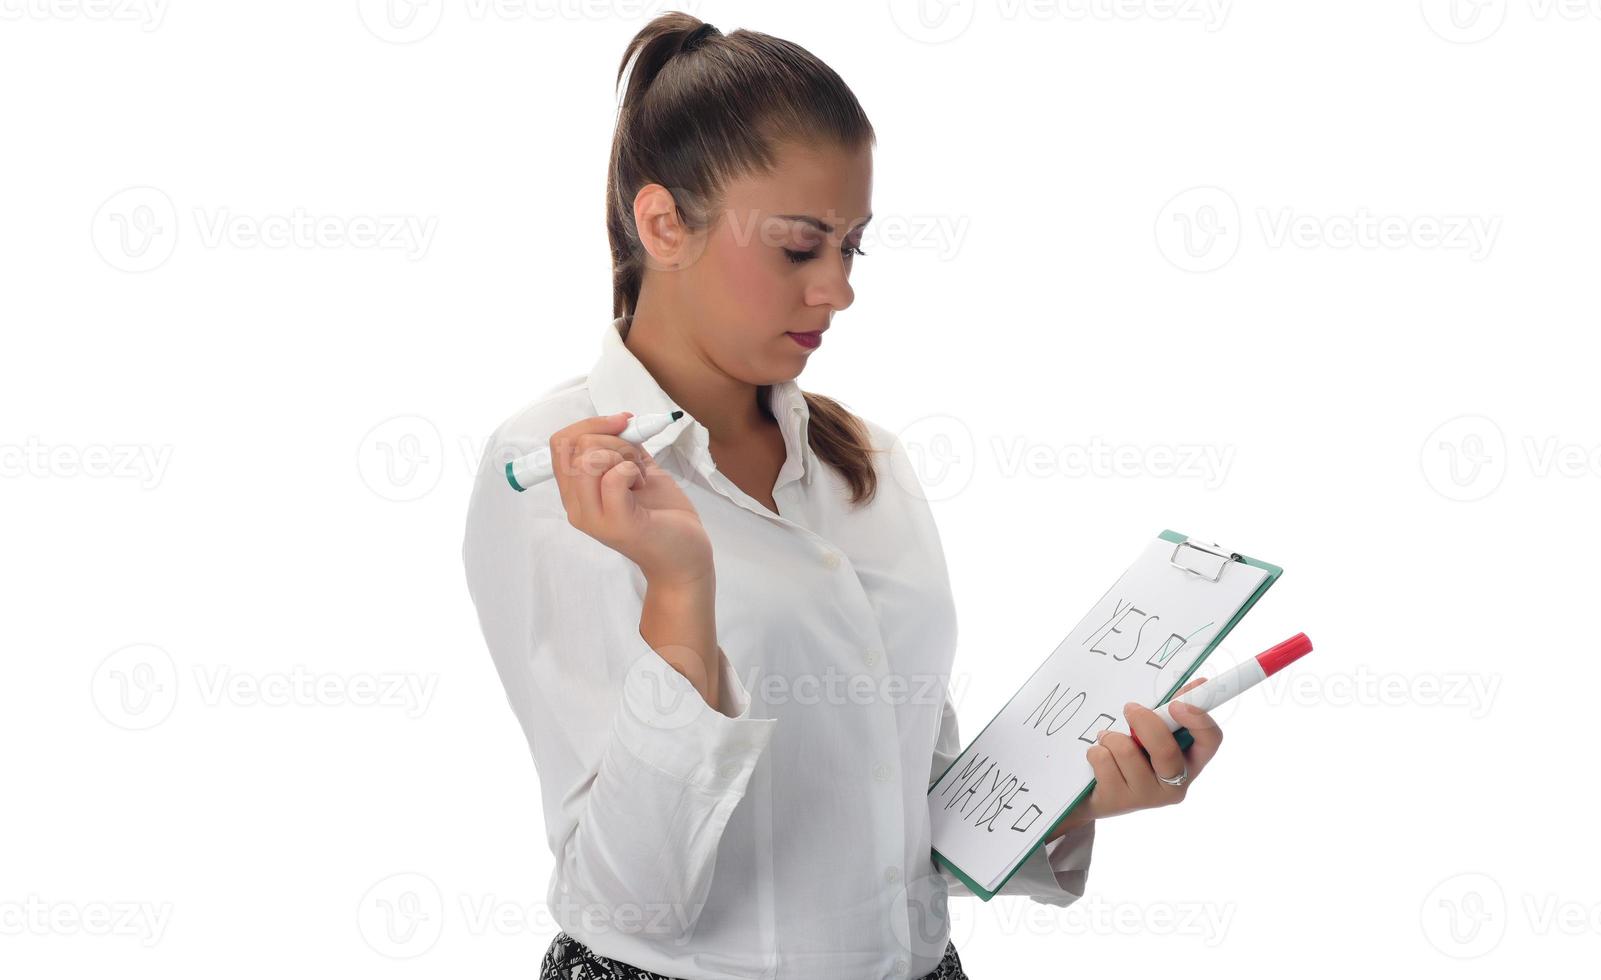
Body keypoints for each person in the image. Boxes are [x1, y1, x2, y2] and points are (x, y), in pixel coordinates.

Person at [461, 13, 1226, 979]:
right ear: (662, 224)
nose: (839, 290)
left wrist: (1078, 794)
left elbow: (895, 802)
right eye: (796, 248)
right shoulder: (550, 473)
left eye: (852, 248)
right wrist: (679, 592)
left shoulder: (865, 460)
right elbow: (633, 897)